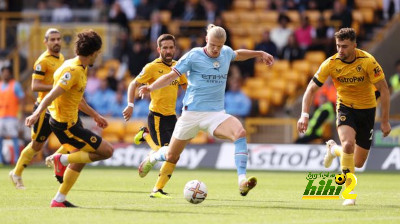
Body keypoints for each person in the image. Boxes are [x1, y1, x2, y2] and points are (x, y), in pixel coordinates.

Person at [138, 24, 274, 198]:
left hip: (215, 114)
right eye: (213, 45)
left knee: (240, 132)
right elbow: (171, 76)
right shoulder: (193, 56)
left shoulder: (225, 52)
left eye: (219, 46)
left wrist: (260, 53)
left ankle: (242, 181)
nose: (216, 50)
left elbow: (238, 54)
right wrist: (150, 88)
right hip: (191, 114)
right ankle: (154, 157)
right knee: (171, 155)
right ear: (206, 40)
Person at [297, 28, 391, 206]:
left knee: (358, 162)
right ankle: (349, 192)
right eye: (338, 46)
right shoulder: (331, 63)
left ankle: (333, 150)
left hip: (367, 111)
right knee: (348, 144)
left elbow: (384, 90)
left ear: (354, 45)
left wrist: (385, 121)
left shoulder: (368, 62)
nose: (340, 50)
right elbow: (310, 89)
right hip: (345, 108)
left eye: (345, 46)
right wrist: (304, 114)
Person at [25, 30, 114, 207]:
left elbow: (76, 97)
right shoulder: (73, 71)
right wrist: (36, 114)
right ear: (94, 52)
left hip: (72, 121)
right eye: (98, 52)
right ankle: (61, 159)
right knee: (107, 151)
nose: (99, 55)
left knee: (81, 158)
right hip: (65, 126)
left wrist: (95, 115)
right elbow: (51, 95)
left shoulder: (76, 65)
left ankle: (59, 200)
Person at [9, 28, 65, 189]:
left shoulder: (61, 57)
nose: (56, 42)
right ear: (45, 42)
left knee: (72, 137)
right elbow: (35, 86)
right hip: (44, 109)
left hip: (58, 107)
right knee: (36, 145)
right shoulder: (42, 61)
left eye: (58, 39)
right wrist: (58, 87)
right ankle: (16, 172)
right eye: (52, 39)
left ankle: (55, 159)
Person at [123, 34, 187, 154]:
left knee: (173, 153)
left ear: (175, 48)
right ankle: (145, 134)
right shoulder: (152, 67)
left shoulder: (178, 67)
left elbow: (185, 86)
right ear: (159, 49)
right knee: (164, 152)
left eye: (171, 47)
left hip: (172, 116)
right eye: (165, 48)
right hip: (157, 116)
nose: (168, 51)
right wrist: (130, 105)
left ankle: (150, 159)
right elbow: (133, 84)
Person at [0, 66, 25, 166]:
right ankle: (1, 160)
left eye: (7, 72)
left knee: (14, 137)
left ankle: (16, 159)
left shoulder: (15, 85)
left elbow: (22, 98)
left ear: (10, 74)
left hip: (12, 116)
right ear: (2, 74)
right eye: (4, 72)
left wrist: (22, 113)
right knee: (0, 138)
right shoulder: (0, 85)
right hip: (1, 116)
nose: (6, 74)